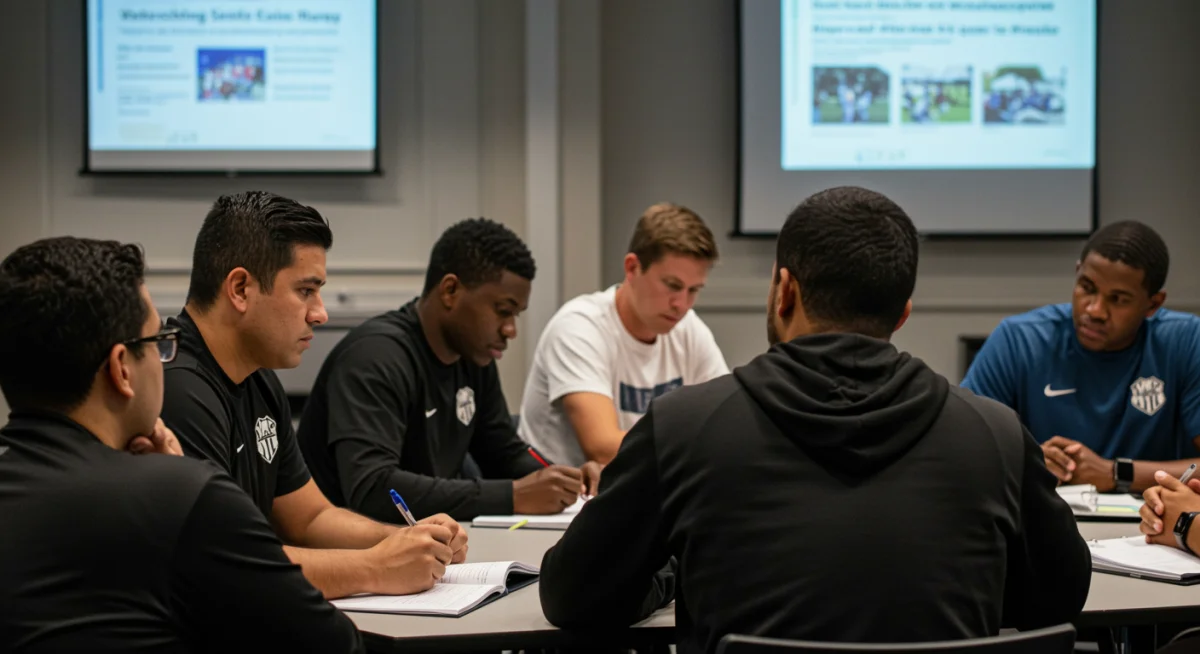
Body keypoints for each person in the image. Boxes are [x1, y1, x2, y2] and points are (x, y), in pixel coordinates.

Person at [538, 186, 1090, 653]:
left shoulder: (682, 430)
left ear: (785, 291)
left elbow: (574, 599)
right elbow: (1059, 598)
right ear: (902, 313)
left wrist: (671, 571)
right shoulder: (997, 435)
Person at [0, 237, 364, 653]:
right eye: (157, 342)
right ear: (122, 369)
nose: (165, 358)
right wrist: (184, 480)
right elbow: (335, 644)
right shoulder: (181, 499)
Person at [161, 191, 466, 601]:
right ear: (240, 289)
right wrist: (376, 567)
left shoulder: (258, 377)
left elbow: (310, 518)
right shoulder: (177, 391)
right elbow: (226, 563)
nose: (320, 313)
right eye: (306, 291)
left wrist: (409, 541)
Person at [297, 217, 601, 522]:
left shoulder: (472, 356)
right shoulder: (375, 357)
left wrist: (562, 480)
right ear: (450, 290)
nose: (510, 330)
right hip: (341, 543)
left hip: (422, 538)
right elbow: (372, 488)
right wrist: (512, 496)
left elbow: (503, 453)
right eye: (503, 311)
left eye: (516, 315)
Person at [961, 221, 1200, 493]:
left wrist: (1116, 473)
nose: (1095, 310)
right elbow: (963, 447)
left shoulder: (1186, 340)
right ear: (1077, 273)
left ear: (1152, 304)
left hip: (1150, 515)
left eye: (1118, 299)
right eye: (1087, 287)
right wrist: (1029, 461)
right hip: (1042, 511)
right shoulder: (1019, 340)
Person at [519, 202, 728, 467]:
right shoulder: (578, 327)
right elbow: (603, 449)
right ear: (632, 268)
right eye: (672, 285)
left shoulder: (689, 330)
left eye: (694, 290)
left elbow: (727, 425)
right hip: (569, 491)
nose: (682, 304)